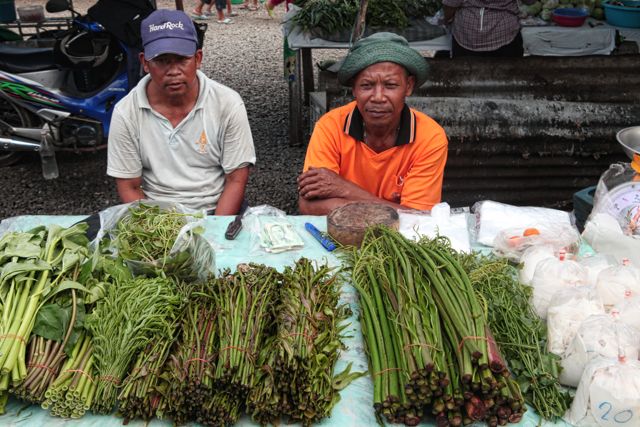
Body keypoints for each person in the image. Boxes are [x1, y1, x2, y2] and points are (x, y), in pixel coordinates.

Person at [107, 9, 255, 215]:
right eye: (162, 60)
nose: (173, 71)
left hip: (216, 209)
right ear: (145, 63)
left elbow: (236, 179)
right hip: (156, 217)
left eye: (182, 59)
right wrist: (161, 232)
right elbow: (129, 186)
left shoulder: (227, 103)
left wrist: (215, 231)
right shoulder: (126, 112)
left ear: (198, 58)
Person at [297, 32, 448, 216]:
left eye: (390, 85)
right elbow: (309, 206)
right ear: (354, 88)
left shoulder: (430, 137)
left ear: (408, 86)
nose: (378, 97)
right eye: (366, 86)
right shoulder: (330, 127)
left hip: (398, 243)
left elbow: (418, 219)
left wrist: (345, 189)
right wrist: (393, 210)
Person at [442, 0, 536, 57]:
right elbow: (530, 1)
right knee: (507, 78)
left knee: (466, 76)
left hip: (468, 35)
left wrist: (446, 19)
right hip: (504, 34)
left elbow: (450, 5)